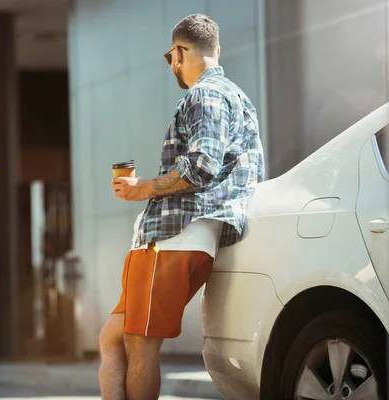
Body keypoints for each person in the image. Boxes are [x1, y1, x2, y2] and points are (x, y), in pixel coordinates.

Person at [99, 14, 265, 400]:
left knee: (140, 344)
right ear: (217, 51)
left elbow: (202, 167)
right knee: (112, 338)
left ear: (178, 52)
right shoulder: (238, 97)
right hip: (188, 236)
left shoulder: (204, 94)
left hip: (175, 237)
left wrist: (144, 189)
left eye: (169, 56)